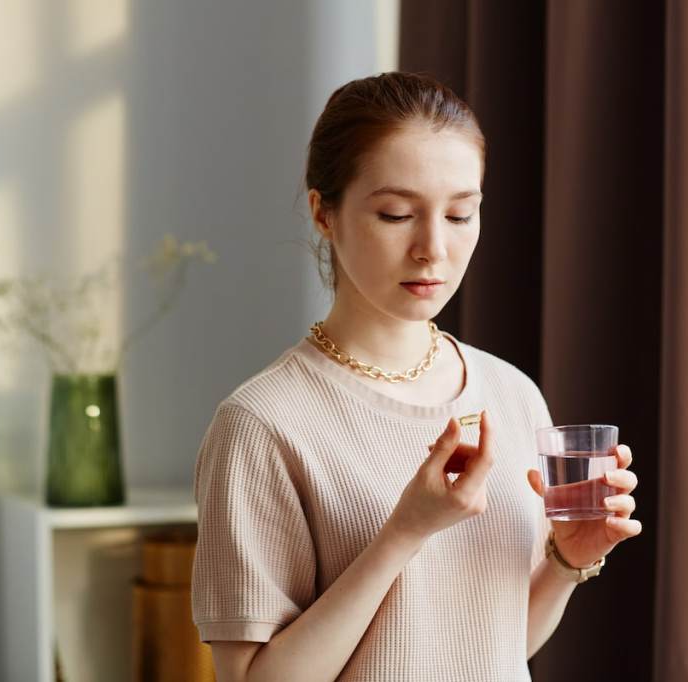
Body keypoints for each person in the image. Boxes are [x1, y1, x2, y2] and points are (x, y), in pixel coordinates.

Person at [190, 71, 641, 682]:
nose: (433, 248)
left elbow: (497, 647)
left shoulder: (510, 394)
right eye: (397, 214)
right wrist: (404, 532)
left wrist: (566, 563)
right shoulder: (262, 425)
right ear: (325, 212)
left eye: (460, 215)